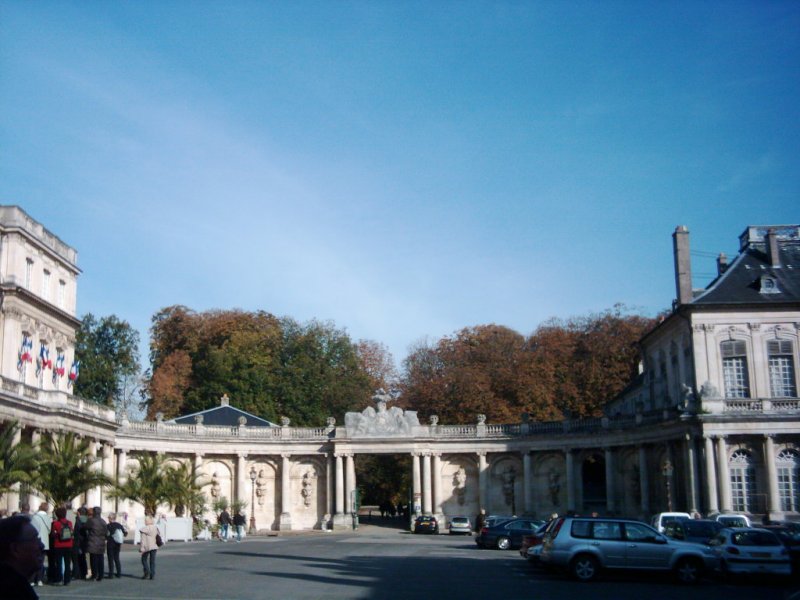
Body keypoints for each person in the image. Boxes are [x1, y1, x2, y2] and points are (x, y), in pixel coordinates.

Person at [0, 515, 45, 599]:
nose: (42, 546)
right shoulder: (12, 591)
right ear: (15, 549)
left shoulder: (19, 585)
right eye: (34, 539)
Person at [50, 506, 73, 586]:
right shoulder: (69, 523)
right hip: (68, 544)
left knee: (59, 563)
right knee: (67, 563)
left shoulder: (55, 523)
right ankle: (67, 579)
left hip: (58, 545)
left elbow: (53, 534)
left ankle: (59, 579)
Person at [29, 503, 50, 586]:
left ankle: (32, 580)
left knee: (34, 560)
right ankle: (39, 579)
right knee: (41, 561)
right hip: (45, 542)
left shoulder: (35, 517)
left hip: (36, 541)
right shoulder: (48, 518)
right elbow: (49, 530)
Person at [85, 507, 107, 581]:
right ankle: (100, 575)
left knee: (93, 559)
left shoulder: (91, 521)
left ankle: (94, 575)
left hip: (93, 541)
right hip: (101, 542)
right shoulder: (103, 521)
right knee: (100, 559)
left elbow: (85, 527)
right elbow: (106, 532)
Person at [105, 513, 127, 578]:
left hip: (110, 543)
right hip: (118, 543)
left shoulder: (108, 526)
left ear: (110, 518)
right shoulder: (119, 525)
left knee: (110, 559)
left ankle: (111, 574)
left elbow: (106, 534)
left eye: (108, 518)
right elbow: (125, 533)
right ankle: (119, 573)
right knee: (116, 558)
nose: (108, 519)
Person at [139, 516, 158, 580]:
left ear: (146, 521)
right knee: (152, 561)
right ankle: (152, 574)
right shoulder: (155, 528)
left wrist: (142, 548)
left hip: (146, 547)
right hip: (154, 546)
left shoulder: (144, 529)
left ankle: (146, 571)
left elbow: (143, 540)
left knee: (144, 559)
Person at [72, 506, 89, 580]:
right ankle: (84, 573)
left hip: (78, 541)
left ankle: (76, 574)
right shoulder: (87, 519)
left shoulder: (79, 520)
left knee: (76, 558)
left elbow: (77, 531)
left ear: (79, 513)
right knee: (83, 558)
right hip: (84, 541)